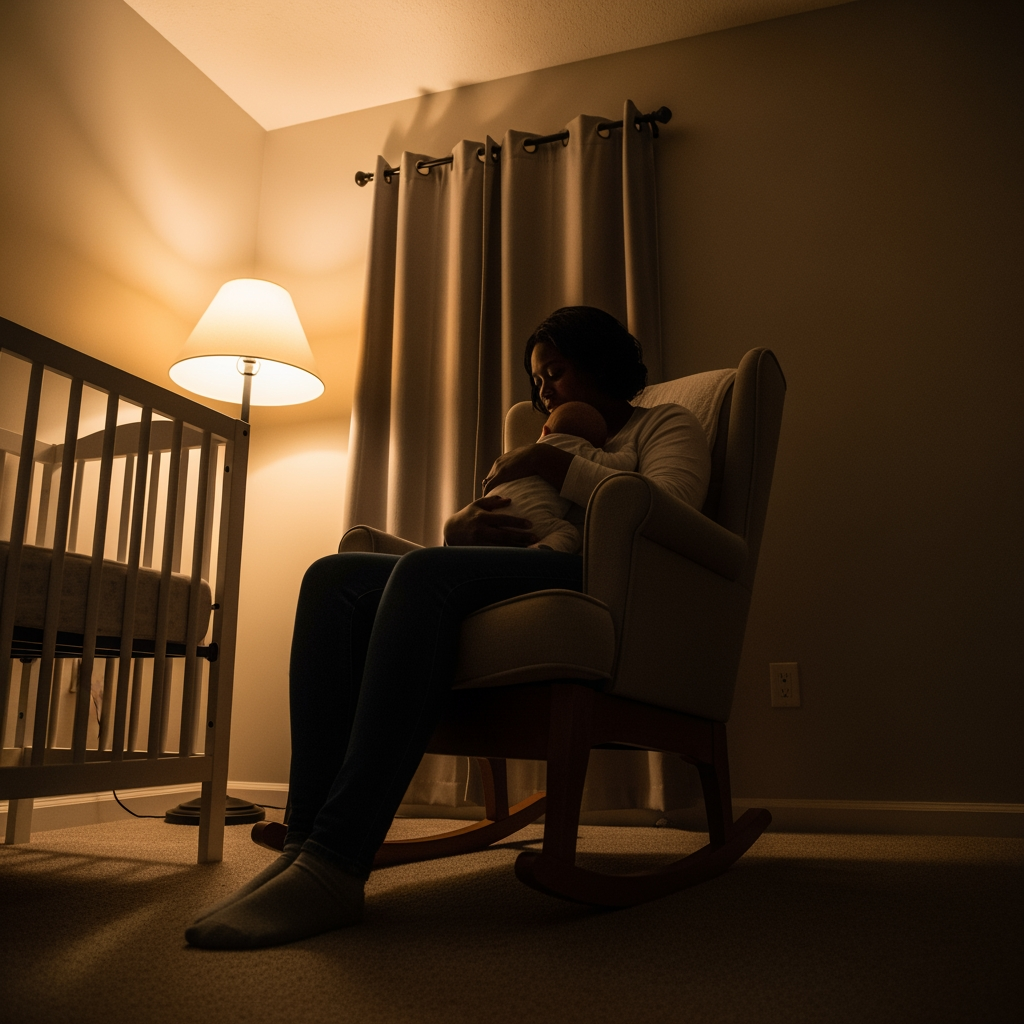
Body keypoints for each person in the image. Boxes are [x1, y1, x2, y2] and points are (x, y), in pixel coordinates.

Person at [185, 305, 711, 950]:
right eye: (536, 377)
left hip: (600, 582)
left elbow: (673, 510)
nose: (543, 388)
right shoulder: (541, 438)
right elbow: (512, 509)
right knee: (335, 579)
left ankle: (337, 862)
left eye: (557, 370)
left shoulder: (664, 425)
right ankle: (302, 847)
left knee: (425, 576)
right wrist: (457, 530)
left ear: (599, 362)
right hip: (522, 567)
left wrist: (558, 467)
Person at [490, 399, 637, 553]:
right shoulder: (583, 452)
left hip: (491, 512)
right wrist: (630, 446)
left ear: (545, 431)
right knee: (569, 533)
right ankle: (541, 551)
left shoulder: (519, 458)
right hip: (529, 520)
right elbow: (622, 464)